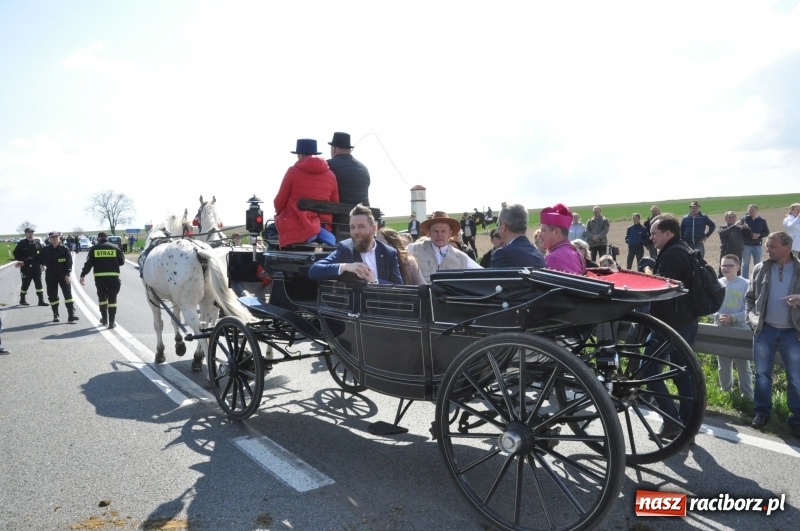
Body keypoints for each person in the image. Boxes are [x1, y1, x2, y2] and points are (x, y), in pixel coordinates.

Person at [646, 213, 701, 440]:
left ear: (667, 233)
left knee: (647, 370)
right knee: (683, 373)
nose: (651, 238)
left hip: (669, 324)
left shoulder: (672, 255)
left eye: (654, 233)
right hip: (687, 320)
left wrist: (648, 276)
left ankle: (671, 421)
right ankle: (688, 426)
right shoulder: (685, 249)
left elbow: (661, 290)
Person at [745, 231, 800, 436]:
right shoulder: (760, 268)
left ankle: (797, 418)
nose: (767, 250)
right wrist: (751, 320)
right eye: (767, 246)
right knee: (762, 375)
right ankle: (762, 412)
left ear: (787, 247)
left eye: (772, 246)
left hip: (793, 333)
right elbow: (749, 297)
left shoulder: (799, 268)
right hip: (764, 330)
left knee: (796, 377)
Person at [309, 204, 402, 284]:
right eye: (352, 227)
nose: (356, 232)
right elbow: (314, 271)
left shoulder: (389, 253)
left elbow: (398, 287)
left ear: (373, 228)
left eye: (361, 227)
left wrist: (374, 281)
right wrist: (346, 266)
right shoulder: (345, 248)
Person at [274, 138, 339, 248]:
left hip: (299, 226)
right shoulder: (331, 175)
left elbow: (279, 202)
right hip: (323, 227)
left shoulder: (292, 171)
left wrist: (279, 213)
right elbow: (334, 204)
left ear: (301, 155)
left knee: (270, 232)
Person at [713, 254, 754, 400]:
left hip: (740, 329)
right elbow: (712, 306)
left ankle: (747, 396)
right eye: (724, 265)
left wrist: (733, 318)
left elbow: (751, 310)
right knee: (723, 364)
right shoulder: (717, 283)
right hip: (721, 328)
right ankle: (726, 392)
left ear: (738, 267)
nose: (726, 268)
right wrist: (718, 317)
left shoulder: (746, 284)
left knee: (743, 365)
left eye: (730, 265)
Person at [407, 211, 482, 282]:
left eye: (443, 231)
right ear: (429, 233)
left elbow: (483, 275)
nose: (439, 235)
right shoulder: (413, 249)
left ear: (450, 233)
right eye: (436, 231)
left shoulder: (461, 257)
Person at [80, 232, 125, 328]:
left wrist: (83, 275)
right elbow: (122, 262)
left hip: (100, 279)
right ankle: (112, 322)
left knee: (102, 299)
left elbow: (89, 264)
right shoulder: (115, 247)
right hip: (113, 278)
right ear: (107, 238)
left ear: (98, 238)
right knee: (112, 300)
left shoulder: (94, 248)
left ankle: (104, 319)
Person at [491, 204, 545, 269]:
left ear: (503, 226)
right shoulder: (538, 254)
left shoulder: (503, 254)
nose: (497, 230)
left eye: (498, 225)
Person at [40, 231, 79, 323]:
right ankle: (55, 314)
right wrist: (42, 264)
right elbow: (40, 259)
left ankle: (71, 315)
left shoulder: (64, 249)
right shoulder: (45, 249)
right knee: (53, 296)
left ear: (59, 238)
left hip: (63, 276)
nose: (54, 238)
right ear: (49, 239)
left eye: (56, 237)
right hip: (50, 276)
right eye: (52, 237)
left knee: (68, 295)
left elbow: (69, 263)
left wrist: (68, 275)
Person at [539, 203, 585, 274]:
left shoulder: (553, 258)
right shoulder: (576, 252)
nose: (539, 235)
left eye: (543, 230)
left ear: (556, 232)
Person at [12, 227, 48, 306]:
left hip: (36, 267)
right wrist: (24, 260)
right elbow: (16, 253)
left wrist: (43, 264)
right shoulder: (22, 243)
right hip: (26, 267)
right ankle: (22, 299)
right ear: (26, 233)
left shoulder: (38, 242)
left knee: (39, 283)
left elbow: (41, 255)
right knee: (25, 283)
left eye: (32, 232)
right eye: (29, 232)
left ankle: (41, 300)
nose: (31, 233)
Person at [741, 204, 770, 280]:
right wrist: (750, 235)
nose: (751, 211)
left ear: (757, 211)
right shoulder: (744, 220)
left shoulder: (762, 220)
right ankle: (745, 280)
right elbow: (741, 232)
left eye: (753, 210)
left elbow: (766, 232)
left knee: (758, 264)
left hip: (758, 245)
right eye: (749, 210)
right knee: (745, 264)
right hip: (747, 245)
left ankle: (756, 279)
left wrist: (759, 235)